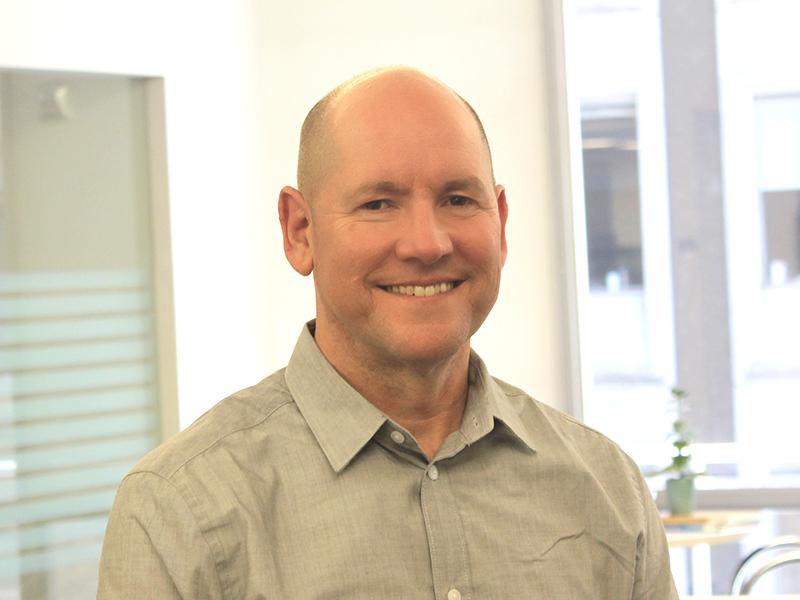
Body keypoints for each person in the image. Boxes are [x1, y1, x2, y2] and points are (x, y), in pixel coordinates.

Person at [97, 67, 678, 599]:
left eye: (457, 198)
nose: (427, 243)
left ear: (499, 224)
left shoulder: (605, 489)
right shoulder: (181, 510)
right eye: (378, 204)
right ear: (300, 231)